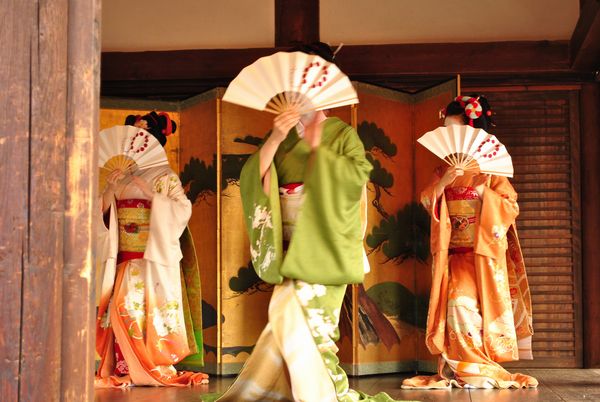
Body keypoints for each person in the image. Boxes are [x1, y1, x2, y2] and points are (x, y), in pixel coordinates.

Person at [210, 43, 407, 402]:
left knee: (307, 326)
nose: (296, 94)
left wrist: (319, 151)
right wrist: (274, 137)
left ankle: (319, 396)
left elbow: (356, 179)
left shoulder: (342, 134)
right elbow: (257, 178)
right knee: (284, 318)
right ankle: (292, 393)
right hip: (288, 248)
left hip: (323, 247)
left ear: (322, 89)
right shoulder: (282, 136)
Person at [402, 96, 538, 389]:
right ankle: (466, 366)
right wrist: (444, 182)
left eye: (456, 129)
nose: (452, 137)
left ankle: (477, 365)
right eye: (447, 130)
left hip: (484, 252)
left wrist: (481, 196)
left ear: (472, 131)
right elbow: (428, 201)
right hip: (455, 254)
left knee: (480, 311)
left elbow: (510, 205)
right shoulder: (444, 169)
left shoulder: (492, 172)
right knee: (457, 304)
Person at [95, 111, 208, 387]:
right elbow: (102, 215)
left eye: (142, 136)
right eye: (133, 135)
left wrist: (150, 195)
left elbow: (183, 210)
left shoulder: (165, 176)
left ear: (154, 141)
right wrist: (110, 189)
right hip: (124, 257)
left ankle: (152, 365)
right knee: (122, 308)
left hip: (151, 257)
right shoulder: (119, 176)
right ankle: (124, 367)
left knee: (150, 312)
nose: (136, 140)